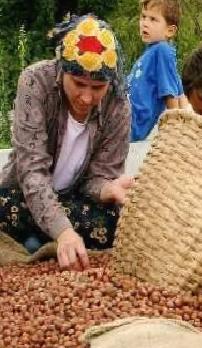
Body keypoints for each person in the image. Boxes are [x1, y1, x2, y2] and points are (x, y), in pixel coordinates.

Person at [0, 15, 132, 270]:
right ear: (62, 71)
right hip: (25, 196)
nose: (86, 97)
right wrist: (62, 231)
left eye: (97, 88)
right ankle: (55, 240)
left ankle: (36, 241)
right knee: (5, 205)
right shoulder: (35, 81)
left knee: (114, 220)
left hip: (75, 202)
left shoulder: (118, 105)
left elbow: (98, 178)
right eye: (79, 84)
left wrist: (107, 190)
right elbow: (32, 171)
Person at [128, 0, 187, 141]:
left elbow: (170, 94)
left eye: (153, 19)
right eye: (143, 17)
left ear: (170, 30)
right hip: (125, 116)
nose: (145, 23)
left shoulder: (162, 50)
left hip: (130, 121)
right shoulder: (153, 51)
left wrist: (175, 130)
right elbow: (179, 91)